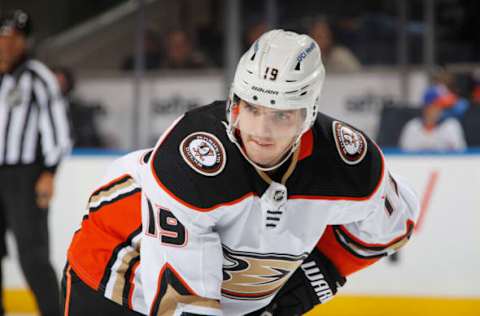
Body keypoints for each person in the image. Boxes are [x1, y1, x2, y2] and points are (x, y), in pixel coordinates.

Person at [63, 29, 419, 315]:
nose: (262, 131)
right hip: (116, 269)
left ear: (308, 115)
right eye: (253, 108)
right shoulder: (193, 163)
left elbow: (394, 222)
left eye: (282, 115)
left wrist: (318, 275)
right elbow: (185, 304)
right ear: (234, 102)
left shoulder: (346, 162)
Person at [0, 10, 71, 316]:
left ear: (25, 42)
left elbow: (59, 131)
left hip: (25, 175)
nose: (5, 45)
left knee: (33, 256)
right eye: (2, 38)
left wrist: (49, 172)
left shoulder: (37, 77)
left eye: (13, 39)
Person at [399, 71, 468, 152]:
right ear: (427, 107)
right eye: (437, 106)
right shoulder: (412, 127)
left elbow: (461, 156)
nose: (440, 110)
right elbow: (403, 158)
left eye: (442, 107)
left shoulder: (451, 126)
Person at [52, 66, 106, 148]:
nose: (57, 87)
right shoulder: (37, 111)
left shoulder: (80, 111)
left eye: (61, 83)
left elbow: (88, 139)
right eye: (53, 83)